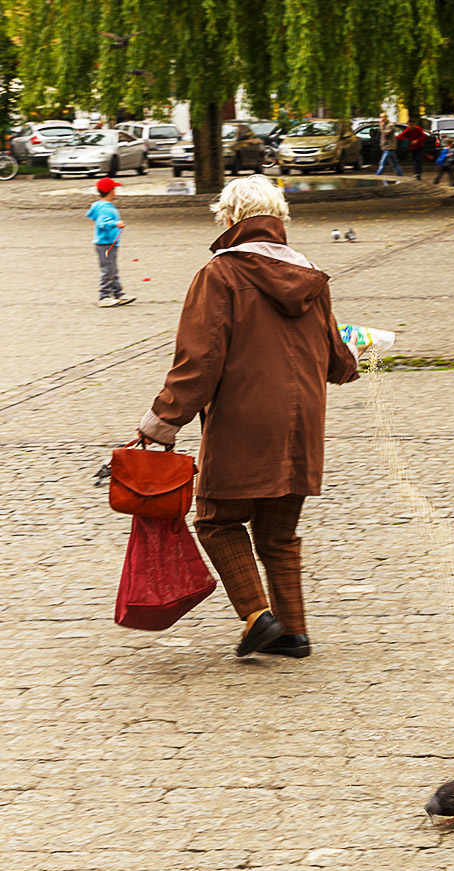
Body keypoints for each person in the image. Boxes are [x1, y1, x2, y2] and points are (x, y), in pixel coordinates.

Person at [134, 175, 360, 658]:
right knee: (278, 533)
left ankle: (259, 616)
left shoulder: (220, 274)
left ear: (230, 218)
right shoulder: (311, 274)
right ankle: (294, 633)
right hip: (301, 425)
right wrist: (356, 357)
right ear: (279, 218)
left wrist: (163, 420)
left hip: (243, 420)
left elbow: (201, 359)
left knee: (217, 519)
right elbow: (336, 359)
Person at [86, 178, 135, 308]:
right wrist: (115, 223)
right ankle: (104, 296)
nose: (116, 192)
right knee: (108, 270)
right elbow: (102, 223)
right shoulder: (105, 208)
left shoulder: (100, 205)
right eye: (114, 189)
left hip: (108, 243)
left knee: (112, 269)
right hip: (105, 243)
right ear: (110, 191)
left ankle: (118, 294)